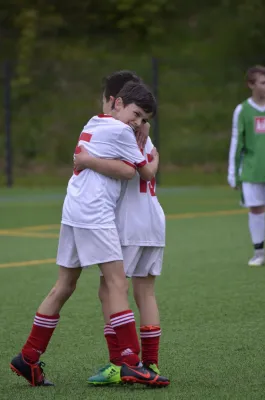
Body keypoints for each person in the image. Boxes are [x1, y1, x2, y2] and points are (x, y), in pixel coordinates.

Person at [10, 80, 168, 387]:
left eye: (142, 119)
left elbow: (115, 166)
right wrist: (145, 142)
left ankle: (28, 357)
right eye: (135, 113)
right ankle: (131, 362)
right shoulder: (123, 132)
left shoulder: (94, 122)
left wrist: (92, 160)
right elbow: (136, 171)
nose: (137, 122)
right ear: (117, 102)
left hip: (74, 208)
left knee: (65, 284)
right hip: (95, 213)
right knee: (116, 283)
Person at [74, 72, 166, 385]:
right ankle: (150, 365)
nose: (137, 121)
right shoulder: (143, 134)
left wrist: (85, 161)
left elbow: (134, 172)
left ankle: (121, 363)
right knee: (145, 292)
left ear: (114, 101)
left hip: (129, 224)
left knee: (109, 289)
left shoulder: (114, 129)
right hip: (154, 221)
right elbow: (151, 168)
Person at [228, 65, 265, 266]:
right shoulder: (242, 110)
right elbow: (237, 142)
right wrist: (233, 173)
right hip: (252, 170)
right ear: (251, 85)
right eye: (263, 83)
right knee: (256, 210)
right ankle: (259, 252)